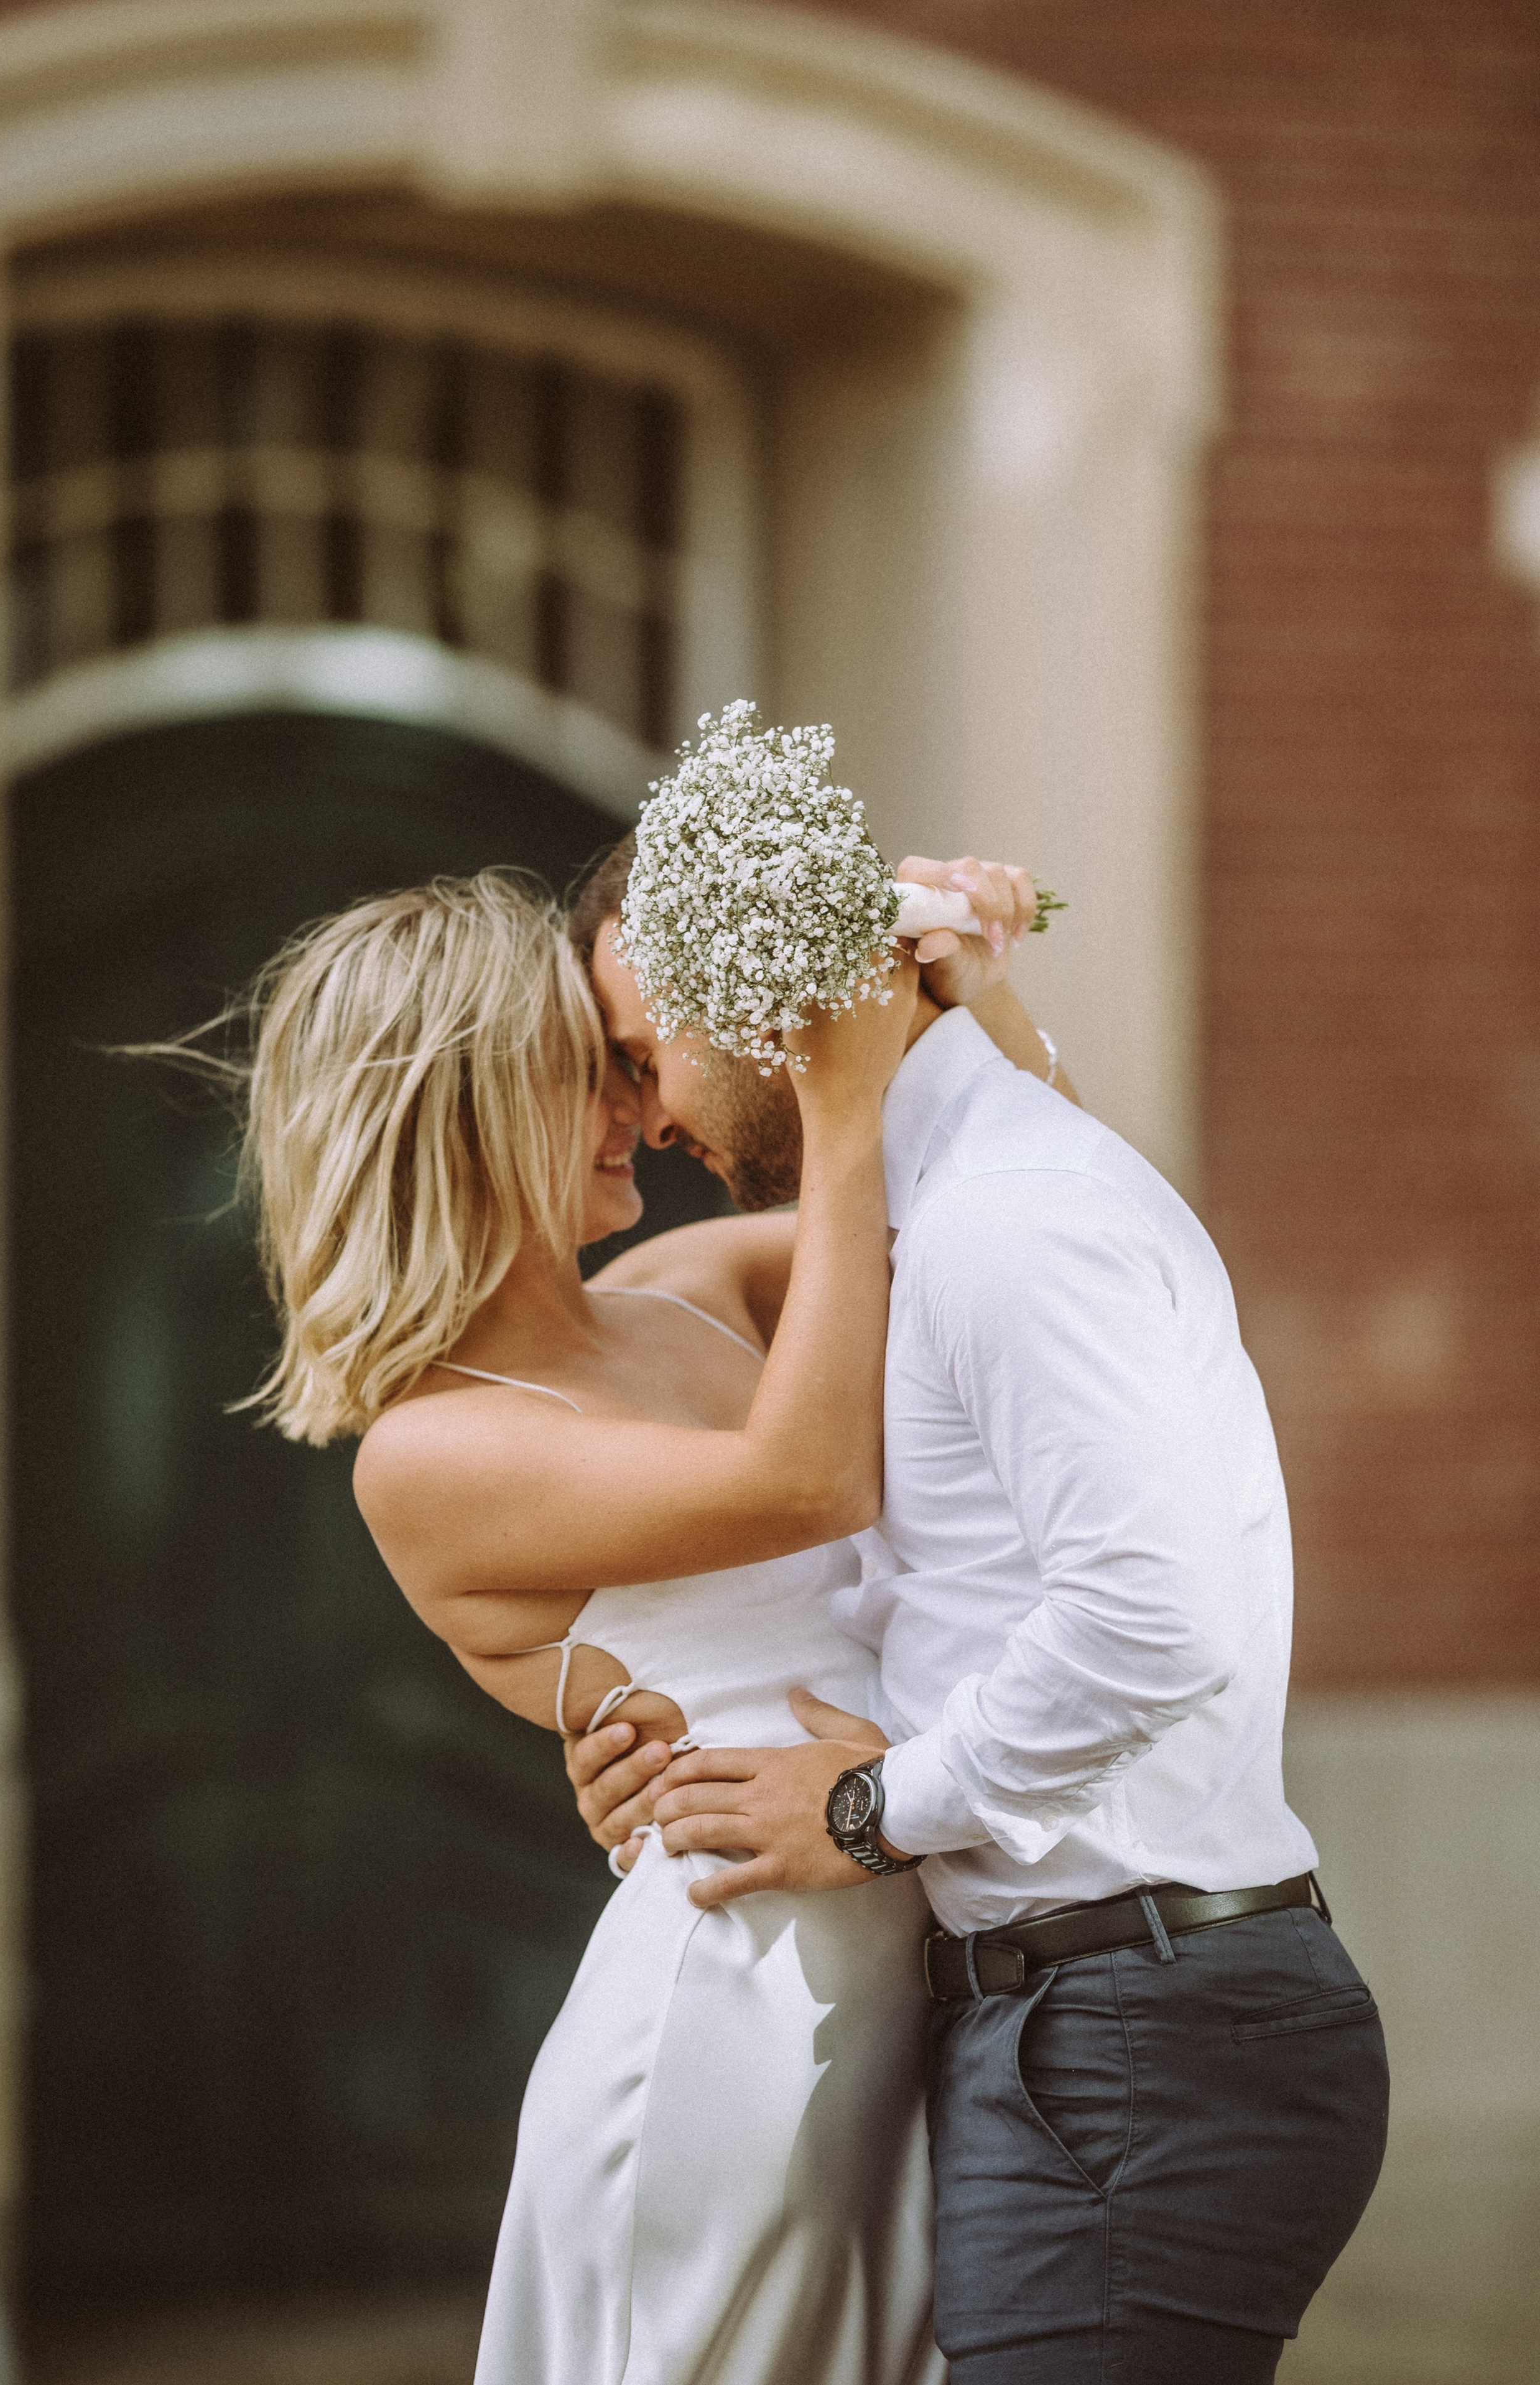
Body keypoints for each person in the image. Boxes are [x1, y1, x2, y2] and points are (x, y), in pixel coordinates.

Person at [567, 837, 1392, 2385]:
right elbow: (951, 1594)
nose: (653, 1115)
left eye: (643, 1053)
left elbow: (1151, 1620)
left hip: (1131, 2038)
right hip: (1088, 2024)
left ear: (759, 996)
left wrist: (875, 1810)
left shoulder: (1004, 1217)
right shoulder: (954, 1201)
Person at [231, 860, 1064, 2385]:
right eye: (591, 1072)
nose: (645, 1103)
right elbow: (807, 1480)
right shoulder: (427, 1452)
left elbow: (1013, 1221)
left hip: (915, 1971)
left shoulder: (691, 1288)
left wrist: (956, 983)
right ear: (468, 1113)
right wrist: (842, 1093)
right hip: (734, 2020)